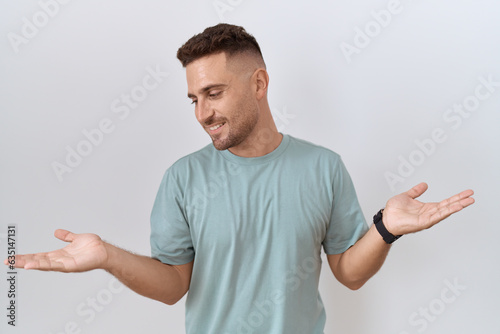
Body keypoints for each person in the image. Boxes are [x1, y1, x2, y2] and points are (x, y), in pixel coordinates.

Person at [5, 24, 474, 334]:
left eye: (213, 93)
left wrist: (385, 229)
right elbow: (172, 286)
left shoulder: (323, 167)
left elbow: (348, 273)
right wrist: (107, 256)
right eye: (193, 99)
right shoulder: (183, 178)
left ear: (258, 84)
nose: (203, 112)